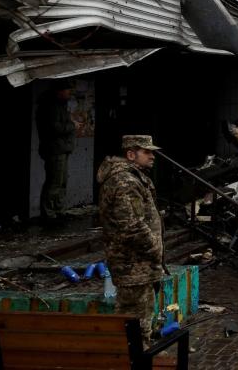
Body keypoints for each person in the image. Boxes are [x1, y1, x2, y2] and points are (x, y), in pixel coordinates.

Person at [97, 135, 166, 344]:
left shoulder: (135, 177)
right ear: (131, 154)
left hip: (140, 264)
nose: (152, 156)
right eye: (147, 152)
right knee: (132, 317)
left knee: (142, 316)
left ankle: (141, 352)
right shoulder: (124, 181)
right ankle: (131, 357)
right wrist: (155, 247)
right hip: (132, 263)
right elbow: (132, 225)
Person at [35, 79, 80, 223]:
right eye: (67, 90)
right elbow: (55, 128)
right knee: (54, 182)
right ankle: (49, 214)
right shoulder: (51, 106)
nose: (69, 93)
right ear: (59, 91)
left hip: (61, 148)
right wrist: (72, 125)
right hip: (55, 149)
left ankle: (59, 211)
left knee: (61, 181)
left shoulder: (58, 105)